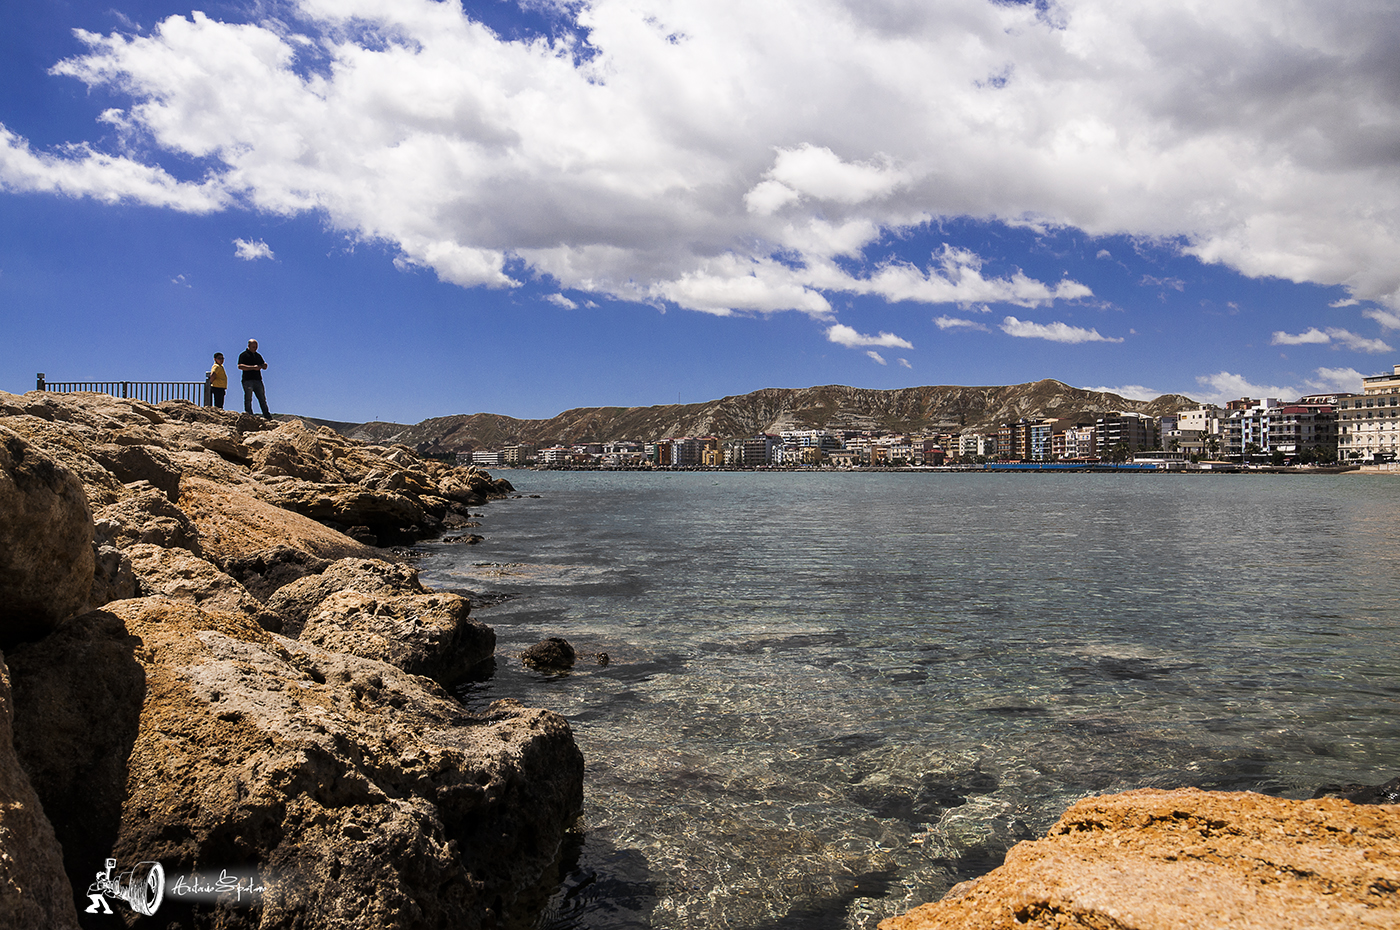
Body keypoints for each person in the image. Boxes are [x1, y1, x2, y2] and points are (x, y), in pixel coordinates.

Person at [238, 338, 272, 419]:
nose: (255, 348)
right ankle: (249, 415)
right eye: (253, 346)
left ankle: (267, 416)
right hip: (247, 380)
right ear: (248, 346)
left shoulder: (258, 355)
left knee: (262, 399)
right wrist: (253, 367)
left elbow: (263, 365)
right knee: (248, 398)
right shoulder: (243, 355)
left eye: (256, 346)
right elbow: (240, 366)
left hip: (258, 380)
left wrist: (264, 366)